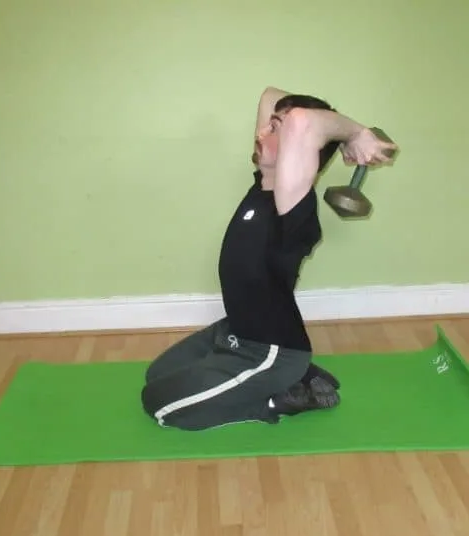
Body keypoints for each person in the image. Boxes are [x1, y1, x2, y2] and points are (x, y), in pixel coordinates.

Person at [140, 86, 399, 431]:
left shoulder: (292, 208)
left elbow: (303, 122)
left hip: (269, 351)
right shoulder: (261, 185)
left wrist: (356, 134)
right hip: (233, 331)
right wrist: (338, 133)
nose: (262, 131)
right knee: (156, 375)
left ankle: (281, 397)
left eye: (276, 128)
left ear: (303, 149)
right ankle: (297, 378)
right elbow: (269, 96)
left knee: (160, 405)